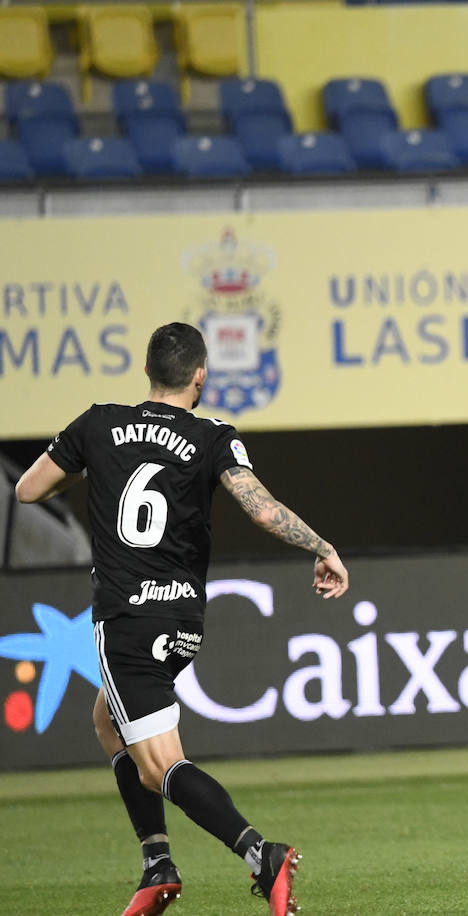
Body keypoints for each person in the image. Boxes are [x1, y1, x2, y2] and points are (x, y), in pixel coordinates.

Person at [15, 322, 349, 916]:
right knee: (109, 720)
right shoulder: (213, 434)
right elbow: (261, 508)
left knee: (159, 765)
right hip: (183, 621)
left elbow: (27, 490)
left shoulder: (98, 424)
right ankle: (157, 864)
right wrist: (321, 546)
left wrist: (87, 463)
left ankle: (259, 854)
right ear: (200, 376)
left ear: (146, 371)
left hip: (126, 619)